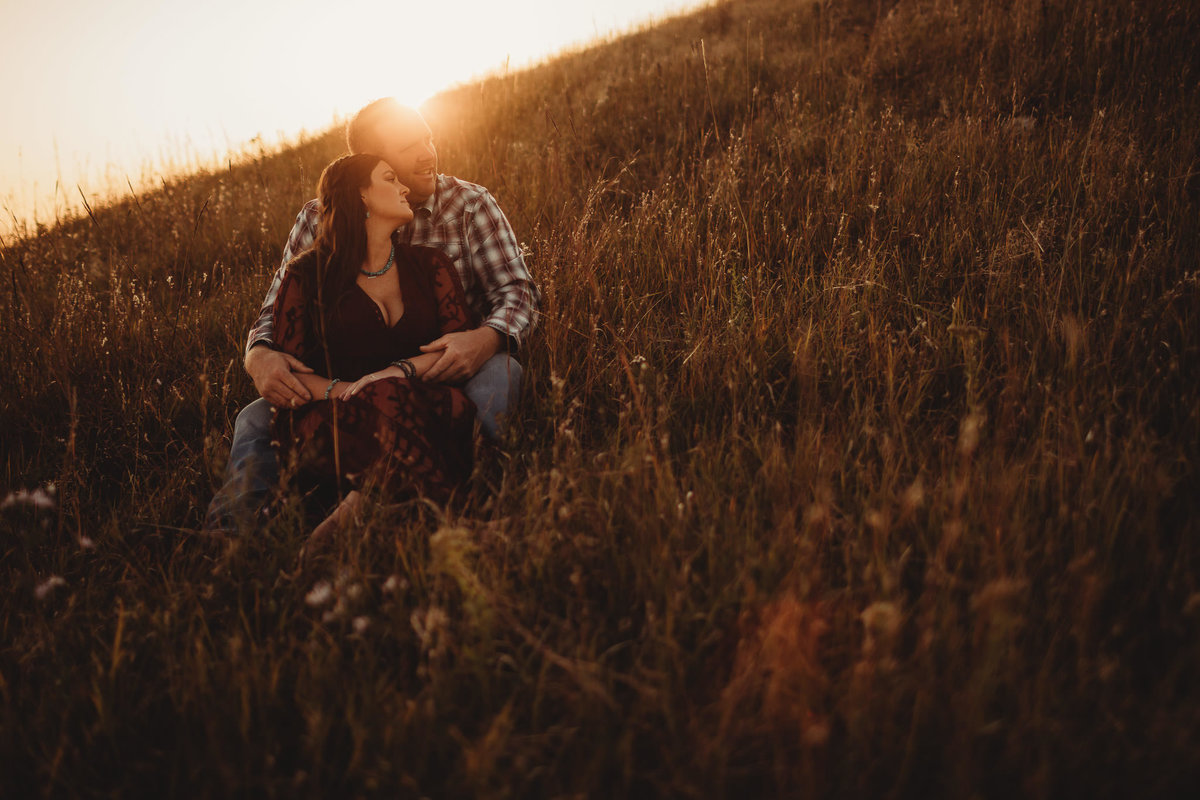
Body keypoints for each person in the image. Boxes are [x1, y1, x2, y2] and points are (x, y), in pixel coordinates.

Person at [204, 98, 539, 532]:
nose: (427, 154)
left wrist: (486, 339)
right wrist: (259, 356)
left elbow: (517, 291)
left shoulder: (469, 205)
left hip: (446, 367)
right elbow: (275, 309)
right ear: (369, 167)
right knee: (254, 417)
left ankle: (478, 492)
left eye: (429, 138)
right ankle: (237, 536)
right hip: (346, 381)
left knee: (500, 377)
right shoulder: (317, 220)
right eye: (408, 147)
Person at [270, 153, 476, 531]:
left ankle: (359, 510)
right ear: (361, 195)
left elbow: (455, 344)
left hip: (418, 398)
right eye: (390, 178)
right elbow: (290, 375)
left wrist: (396, 372)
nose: (404, 188)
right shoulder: (306, 275)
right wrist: (356, 390)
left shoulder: (430, 266)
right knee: (386, 398)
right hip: (330, 414)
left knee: (440, 403)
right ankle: (459, 525)